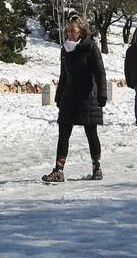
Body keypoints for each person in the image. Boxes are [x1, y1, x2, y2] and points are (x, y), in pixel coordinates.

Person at [44, 16, 106, 182]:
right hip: (69, 96)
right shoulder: (65, 49)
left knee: (91, 133)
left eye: (73, 31)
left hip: (88, 96)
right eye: (68, 30)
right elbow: (64, 74)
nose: (70, 34)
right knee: (63, 133)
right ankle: (58, 170)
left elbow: (100, 72)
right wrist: (58, 95)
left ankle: (97, 167)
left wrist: (102, 94)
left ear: (82, 31)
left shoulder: (91, 47)